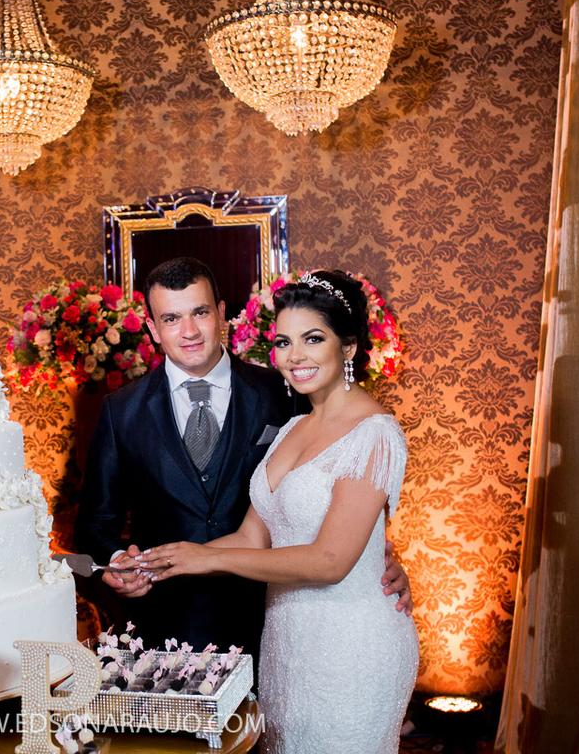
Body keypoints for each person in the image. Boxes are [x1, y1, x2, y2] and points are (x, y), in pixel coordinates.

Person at [140, 271, 420, 753]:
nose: (295, 356)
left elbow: (330, 562)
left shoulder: (375, 434)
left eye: (314, 339)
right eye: (284, 341)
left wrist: (207, 559)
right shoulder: (292, 428)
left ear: (348, 347)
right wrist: (169, 558)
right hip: (288, 644)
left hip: (351, 646)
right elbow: (253, 538)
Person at [75, 257, 411, 657]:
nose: (189, 331)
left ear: (221, 314)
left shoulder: (285, 393)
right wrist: (117, 561)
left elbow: (339, 490)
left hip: (269, 619)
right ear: (152, 329)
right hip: (166, 623)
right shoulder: (120, 410)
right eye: (171, 318)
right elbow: (95, 522)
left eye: (200, 312)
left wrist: (374, 557)